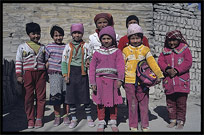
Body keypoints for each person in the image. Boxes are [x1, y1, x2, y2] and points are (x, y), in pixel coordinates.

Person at [123, 24, 164, 132]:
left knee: (144, 104)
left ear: (142, 38)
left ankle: (145, 125)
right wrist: (120, 79)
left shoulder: (145, 50)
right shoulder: (125, 50)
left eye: (137, 38)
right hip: (129, 81)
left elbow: (152, 63)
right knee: (132, 105)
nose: (135, 40)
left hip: (143, 82)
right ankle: (133, 125)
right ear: (129, 39)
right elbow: (121, 66)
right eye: (132, 38)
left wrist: (159, 75)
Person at [89, 26, 125, 132]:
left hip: (113, 81)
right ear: (101, 40)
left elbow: (120, 66)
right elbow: (92, 68)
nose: (106, 41)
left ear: (113, 39)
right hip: (99, 81)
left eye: (108, 38)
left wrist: (120, 79)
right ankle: (101, 121)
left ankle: (113, 120)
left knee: (113, 101)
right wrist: (93, 82)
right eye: (104, 39)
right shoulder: (97, 52)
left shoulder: (117, 52)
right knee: (100, 102)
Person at [61, 23, 95, 129]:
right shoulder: (68, 47)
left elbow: (90, 56)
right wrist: (65, 75)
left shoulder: (86, 46)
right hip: (71, 74)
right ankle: (74, 118)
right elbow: (64, 62)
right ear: (72, 34)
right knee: (71, 97)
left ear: (82, 33)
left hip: (82, 74)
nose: (77, 35)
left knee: (85, 96)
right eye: (75, 33)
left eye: (79, 33)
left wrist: (88, 60)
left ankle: (89, 117)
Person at [158, 30, 192, 130]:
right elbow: (160, 61)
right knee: (170, 103)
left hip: (181, 82)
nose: (172, 43)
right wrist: (167, 69)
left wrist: (177, 70)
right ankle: (172, 120)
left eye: (174, 41)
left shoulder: (184, 49)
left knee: (181, 103)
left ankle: (180, 121)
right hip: (169, 83)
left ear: (179, 40)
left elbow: (188, 62)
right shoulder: (164, 51)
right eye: (169, 41)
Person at [15, 22, 46, 129]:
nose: (36, 36)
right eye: (33, 33)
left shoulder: (43, 47)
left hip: (41, 74)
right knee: (28, 97)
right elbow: (19, 61)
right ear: (29, 34)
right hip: (28, 75)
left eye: (38, 33)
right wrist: (19, 75)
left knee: (41, 97)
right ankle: (30, 119)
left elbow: (46, 60)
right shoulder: (22, 47)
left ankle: (39, 118)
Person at [45, 25, 70, 127]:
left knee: (66, 97)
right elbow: (45, 61)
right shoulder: (48, 47)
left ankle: (66, 116)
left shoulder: (67, 47)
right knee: (56, 96)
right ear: (52, 37)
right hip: (54, 75)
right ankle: (57, 116)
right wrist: (46, 74)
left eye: (60, 35)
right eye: (56, 36)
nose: (58, 37)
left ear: (63, 36)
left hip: (65, 75)